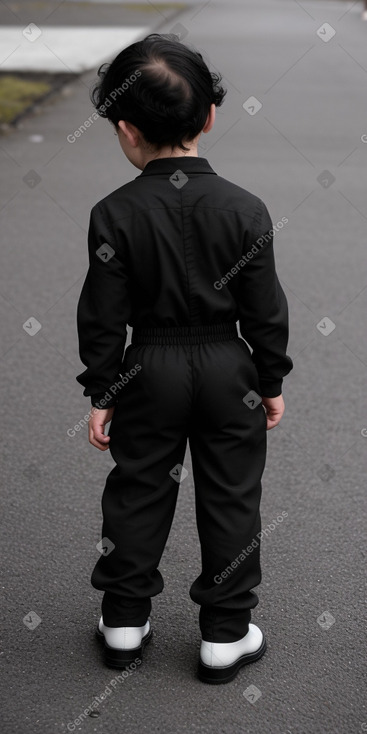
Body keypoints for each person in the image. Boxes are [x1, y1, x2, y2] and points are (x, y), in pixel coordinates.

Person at [76, 32, 293, 684]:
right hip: (230, 365)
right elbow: (265, 308)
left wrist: (104, 388)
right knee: (231, 495)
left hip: (148, 368)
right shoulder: (244, 209)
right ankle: (224, 634)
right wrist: (270, 377)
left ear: (125, 129)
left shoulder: (113, 214)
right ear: (210, 116)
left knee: (138, 490)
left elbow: (101, 314)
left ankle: (122, 621)